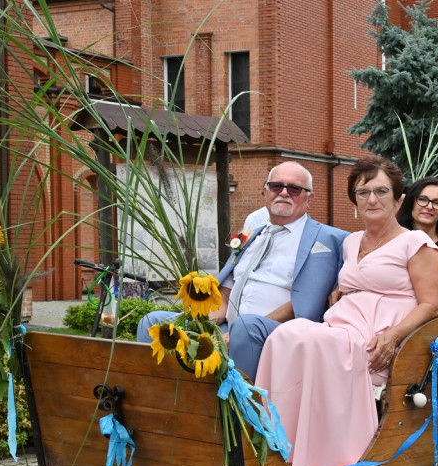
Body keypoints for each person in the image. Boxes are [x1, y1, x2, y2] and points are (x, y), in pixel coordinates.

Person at [255, 156, 438, 466]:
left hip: (377, 340)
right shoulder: (350, 242)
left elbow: (433, 304)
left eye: (381, 191)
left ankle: (317, 457)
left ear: (399, 199)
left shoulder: (416, 242)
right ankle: (278, 447)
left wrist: (394, 336)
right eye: (362, 192)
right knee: (286, 335)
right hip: (339, 328)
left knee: (305, 337)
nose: (371, 199)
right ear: (355, 201)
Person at [136, 162, 348, 380]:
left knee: (246, 327)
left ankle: (245, 410)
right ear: (265, 192)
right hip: (232, 327)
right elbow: (225, 294)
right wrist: (211, 328)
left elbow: (307, 301)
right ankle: (158, 401)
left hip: (278, 331)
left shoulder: (327, 239)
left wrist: (237, 332)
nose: (284, 193)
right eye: (276, 186)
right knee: (154, 322)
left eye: (294, 189)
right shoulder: (252, 235)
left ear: (309, 199)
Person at [395, 177, 438, 289]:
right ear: (411, 202)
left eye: (437, 202)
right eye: (423, 199)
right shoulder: (393, 239)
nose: (429, 207)